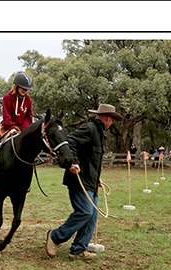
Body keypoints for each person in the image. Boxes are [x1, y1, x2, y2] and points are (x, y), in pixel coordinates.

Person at [45, 104, 123, 260]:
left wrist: (97, 177)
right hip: (79, 180)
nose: (112, 123)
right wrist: (73, 162)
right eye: (112, 120)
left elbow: (92, 159)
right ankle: (55, 236)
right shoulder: (90, 128)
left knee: (92, 215)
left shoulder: (100, 133)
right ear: (108, 118)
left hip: (91, 181)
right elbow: (69, 141)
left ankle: (79, 249)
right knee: (85, 212)